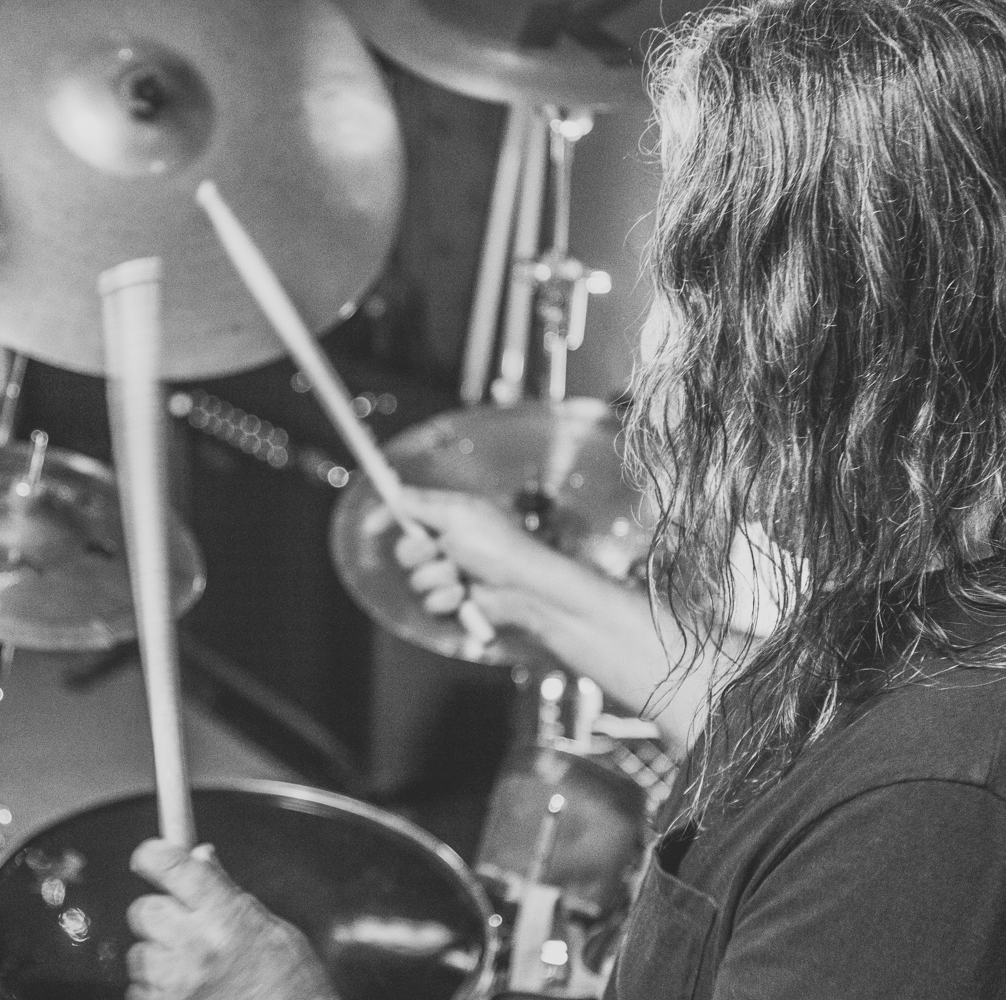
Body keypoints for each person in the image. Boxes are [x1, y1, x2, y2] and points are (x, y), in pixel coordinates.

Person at [124, 0, 1006, 996]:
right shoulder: (928, 604)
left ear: (869, 323)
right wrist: (529, 585)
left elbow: (850, 783)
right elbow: (778, 732)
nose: (657, 344)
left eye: (700, 284)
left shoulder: (926, 813)